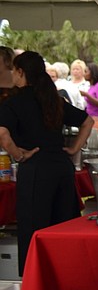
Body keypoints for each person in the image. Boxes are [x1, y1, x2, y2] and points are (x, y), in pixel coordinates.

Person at [0, 51, 93, 276]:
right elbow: (88, 121)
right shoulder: (53, 100)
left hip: (35, 168)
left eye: (14, 70)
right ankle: (69, 281)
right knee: (62, 229)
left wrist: (18, 155)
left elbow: (3, 133)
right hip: (62, 167)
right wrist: (73, 149)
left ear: (21, 72)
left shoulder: (15, 102)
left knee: (34, 232)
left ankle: (33, 284)